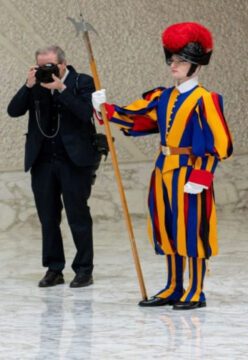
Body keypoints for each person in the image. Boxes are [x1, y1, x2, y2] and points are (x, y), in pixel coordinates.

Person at [92, 22, 233, 310]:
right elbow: (140, 120)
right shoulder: (163, 96)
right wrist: (105, 109)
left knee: (191, 230)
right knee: (167, 228)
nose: (173, 65)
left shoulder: (206, 100)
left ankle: (195, 290)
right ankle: (173, 285)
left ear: (196, 64)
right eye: (172, 59)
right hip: (163, 170)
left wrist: (202, 175)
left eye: (181, 60)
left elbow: (220, 143)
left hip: (189, 171)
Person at [7, 45, 99, 288]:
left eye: (51, 65)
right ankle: (53, 268)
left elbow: (86, 112)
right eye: (41, 66)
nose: (47, 70)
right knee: (48, 217)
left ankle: (83, 269)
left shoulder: (81, 81)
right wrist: (28, 85)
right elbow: (13, 111)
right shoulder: (36, 84)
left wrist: (61, 89)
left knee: (78, 215)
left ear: (63, 64)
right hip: (43, 160)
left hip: (74, 160)